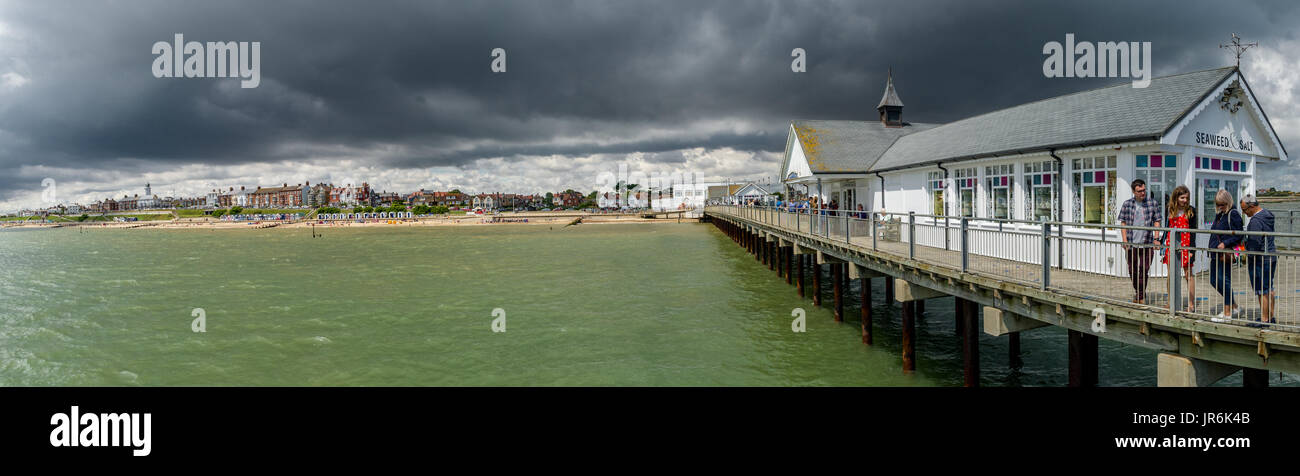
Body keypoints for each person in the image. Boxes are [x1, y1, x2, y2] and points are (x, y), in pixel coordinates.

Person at [1118, 179, 1164, 304]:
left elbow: (1157, 220)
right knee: (1132, 269)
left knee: (1143, 269)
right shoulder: (1127, 204)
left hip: (1147, 242)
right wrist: (1124, 240)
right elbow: (1123, 222)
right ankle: (1139, 292)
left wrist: (1156, 238)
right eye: (1139, 191)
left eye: (1144, 190)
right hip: (1131, 243)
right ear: (1134, 191)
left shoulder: (1152, 203)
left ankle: (1140, 295)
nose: (1142, 193)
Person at [1208, 189, 1244, 322]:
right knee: (1214, 280)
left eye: (1222, 204)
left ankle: (1227, 312)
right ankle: (1234, 306)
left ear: (1227, 202)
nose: (1220, 207)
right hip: (1215, 252)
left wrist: (1225, 242)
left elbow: (1239, 234)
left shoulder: (1233, 214)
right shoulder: (1220, 214)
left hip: (1225, 252)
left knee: (1224, 280)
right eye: (1218, 204)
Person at [1241, 194, 1276, 326]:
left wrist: (1245, 246)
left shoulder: (1255, 221)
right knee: (1269, 287)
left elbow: (1254, 243)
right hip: (1271, 255)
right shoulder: (1268, 214)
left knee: (1262, 290)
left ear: (1252, 207)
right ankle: (1270, 316)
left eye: (1245, 210)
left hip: (1260, 258)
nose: (1244, 213)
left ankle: (1264, 319)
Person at [1161, 185, 1197, 312]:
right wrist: (1161, 243)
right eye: (1182, 198)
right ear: (1176, 197)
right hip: (1171, 244)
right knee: (1171, 275)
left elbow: (1193, 232)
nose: (1185, 200)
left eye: (1186, 198)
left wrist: (1192, 250)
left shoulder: (1192, 210)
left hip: (1186, 245)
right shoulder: (1169, 209)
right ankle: (1171, 302)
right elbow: (1166, 226)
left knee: (1189, 275)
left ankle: (1191, 304)